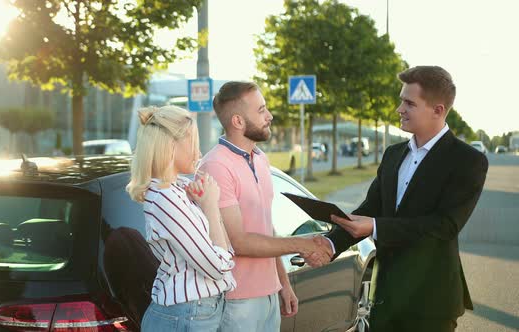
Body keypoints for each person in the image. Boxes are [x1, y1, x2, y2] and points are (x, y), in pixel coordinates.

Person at [327, 66, 489, 332]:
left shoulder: (468, 161)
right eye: (401, 100)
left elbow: (445, 225)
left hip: (431, 303)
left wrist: (376, 226)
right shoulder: (393, 154)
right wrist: (330, 243)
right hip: (384, 299)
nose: (399, 109)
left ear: (438, 110)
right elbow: (370, 208)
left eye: (409, 103)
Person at [198, 81, 334, 332]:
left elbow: (265, 226)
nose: (269, 116)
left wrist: (282, 283)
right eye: (261, 110)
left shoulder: (260, 159)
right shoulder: (216, 165)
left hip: (269, 295)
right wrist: (302, 244)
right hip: (237, 301)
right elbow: (238, 241)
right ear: (238, 121)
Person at [126, 105, 236, 332]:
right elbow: (217, 266)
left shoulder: (180, 189)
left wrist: (208, 206)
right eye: (193, 144)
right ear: (171, 146)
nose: (199, 153)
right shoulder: (165, 198)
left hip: (196, 313)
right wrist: (210, 207)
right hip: (186, 315)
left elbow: (226, 251)